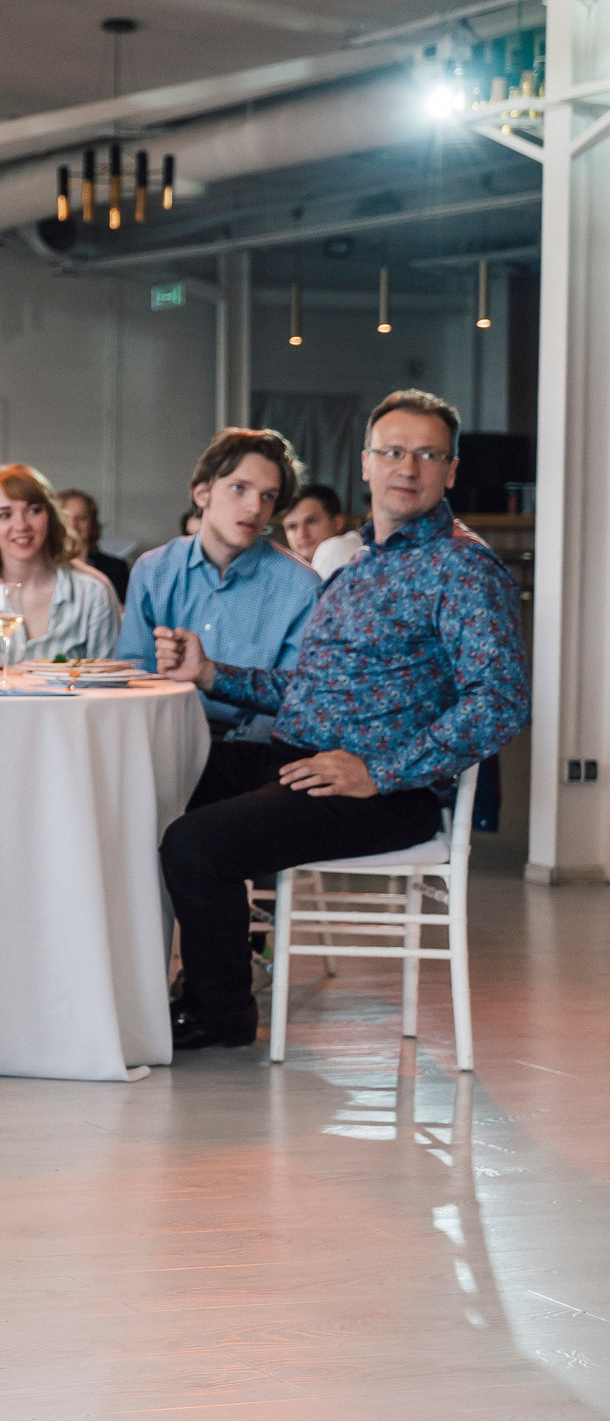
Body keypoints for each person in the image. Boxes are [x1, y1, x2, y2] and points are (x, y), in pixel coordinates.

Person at [153, 390, 528, 1050]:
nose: (406, 466)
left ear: (451, 469)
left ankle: (221, 1012)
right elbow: (313, 690)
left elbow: (501, 699)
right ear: (366, 463)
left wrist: (378, 771)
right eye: (392, 450)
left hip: (384, 793)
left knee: (194, 842)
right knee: (148, 783)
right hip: (301, 757)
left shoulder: (462, 568)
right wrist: (212, 673)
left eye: (426, 453)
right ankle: (135, 985)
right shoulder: (357, 561)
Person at [116, 429, 318, 741]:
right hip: (160, 739)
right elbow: (131, 674)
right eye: (240, 488)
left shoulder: (302, 588)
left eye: (268, 496)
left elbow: (296, 698)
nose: (254, 508)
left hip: (250, 751)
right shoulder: (153, 569)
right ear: (202, 494)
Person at [0, 463, 121, 663]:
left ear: (50, 516)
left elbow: (110, 687)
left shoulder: (93, 591)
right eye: (4, 515)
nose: (21, 525)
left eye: (33, 511)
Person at [58, 488, 131, 603]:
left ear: (92, 523)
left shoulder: (116, 568)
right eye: (66, 518)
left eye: (81, 518)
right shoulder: (43, 567)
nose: (73, 525)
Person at [280, 482, 345, 568]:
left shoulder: (337, 551)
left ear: (337, 523)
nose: (302, 535)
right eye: (292, 526)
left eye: (311, 522)